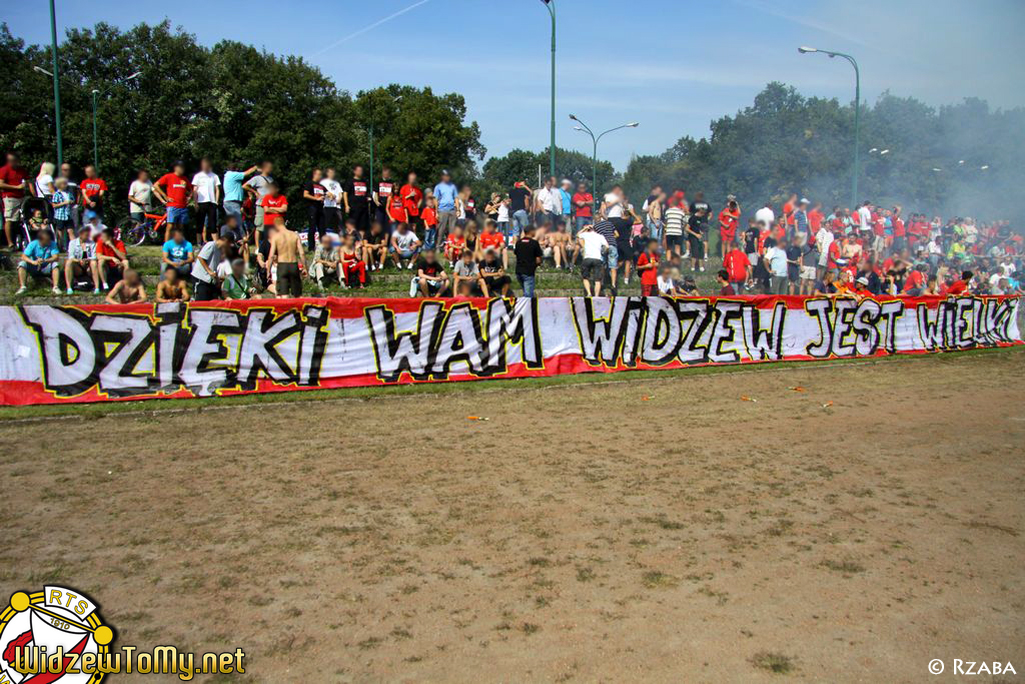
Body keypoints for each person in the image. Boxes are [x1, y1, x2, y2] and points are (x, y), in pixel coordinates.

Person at [153, 161, 192, 243]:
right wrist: (165, 196)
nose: (182, 169)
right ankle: (166, 245)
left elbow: (192, 189)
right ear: (176, 168)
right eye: (181, 167)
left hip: (183, 206)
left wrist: (189, 197)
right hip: (172, 206)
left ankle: (178, 243)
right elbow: (156, 185)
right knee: (170, 226)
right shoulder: (168, 176)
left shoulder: (184, 179)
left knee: (180, 227)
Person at [268, 216, 305, 298]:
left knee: (284, 295)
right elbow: (301, 253)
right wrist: (305, 267)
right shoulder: (295, 235)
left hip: (282, 265)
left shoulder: (276, 237)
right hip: (293, 264)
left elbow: (271, 256)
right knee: (298, 294)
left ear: (275, 225)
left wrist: (268, 271)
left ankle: (287, 310)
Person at [16, 230, 61, 295]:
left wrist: (45, 260)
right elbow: (23, 256)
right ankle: (23, 287)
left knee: (55, 265)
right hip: (33, 266)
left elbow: (56, 257)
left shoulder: (52, 244)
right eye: (47, 240)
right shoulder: (33, 244)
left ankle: (56, 287)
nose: (49, 241)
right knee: (22, 264)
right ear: (41, 240)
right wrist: (33, 262)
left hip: (46, 266)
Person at [0, 152, 29, 247]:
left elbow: (27, 182)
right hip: (10, 197)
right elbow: (1, 184)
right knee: (9, 219)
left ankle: (24, 239)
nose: (11, 163)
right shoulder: (4, 170)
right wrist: (16, 187)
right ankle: (10, 243)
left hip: (22, 197)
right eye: (10, 161)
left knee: (23, 219)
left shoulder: (22, 171)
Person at [191, 232, 229, 301]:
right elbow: (200, 257)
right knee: (201, 303)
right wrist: (209, 271)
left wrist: (217, 279)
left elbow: (214, 265)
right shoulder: (211, 245)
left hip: (210, 281)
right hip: (201, 278)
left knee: (213, 302)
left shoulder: (220, 251)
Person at [222, 162, 259, 229]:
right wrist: (255, 167)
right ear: (235, 169)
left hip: (228, 201)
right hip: (233, 201)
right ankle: (242, 237)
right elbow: (247, 173)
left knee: (232, 222)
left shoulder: (227, 175)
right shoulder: (233, 175)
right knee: (238, 221)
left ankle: (233, 236)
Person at [192, 158, 221, 243]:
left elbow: (217, 189)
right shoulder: (198, 176)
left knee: (213, 224)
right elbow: (195, 190)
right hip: (201, 202)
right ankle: (198, 244)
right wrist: (195, 203)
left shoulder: (214, 176)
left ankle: (216, 243)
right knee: (199, 224)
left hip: (212, 202)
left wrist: (216, 201)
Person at [243, 161, 275, 238]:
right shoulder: (257, 178)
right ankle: (257, 248)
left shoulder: (271, 179)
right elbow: (245, 186)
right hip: (261, 204)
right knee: (259, 226)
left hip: (271, 205)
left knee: (271, 225)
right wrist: (255, 193)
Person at [64, 225, 99, 294]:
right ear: (80, 235)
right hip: (78, 267)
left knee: (94, 263)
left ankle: (97, 287)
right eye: (86, 235)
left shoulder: (92, 243)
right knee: (68, 262)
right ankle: (69, 287)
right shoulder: (72, 243)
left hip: (89, 266)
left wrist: (87, 261)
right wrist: (79, 261)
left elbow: (94, 256)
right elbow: (71, 256)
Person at [578, 224, 608, 297]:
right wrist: (603, 252)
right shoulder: (600, 236)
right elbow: (607, 246)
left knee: (585, 277)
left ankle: (589, 293)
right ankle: (596, 295)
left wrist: (584, 228)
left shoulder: (585, 234)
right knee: (598, 279)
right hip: (597, 258)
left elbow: (578, 234)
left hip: (587, 258)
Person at [514, 225, 544, 298]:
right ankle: (526, 309)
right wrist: (538, 265)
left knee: (526, 292)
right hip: (528, 272)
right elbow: (538, 259)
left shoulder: (518, 242)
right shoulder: (534, 243)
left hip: (518, 271)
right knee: (528, 296)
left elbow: (516, 253)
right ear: (532, 232)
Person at [433, 170, 459, 248]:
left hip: (452, 209)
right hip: (442, 210)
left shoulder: (453, 186)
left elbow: (456, 198)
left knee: (452, 229)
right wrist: (436, 211)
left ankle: (451, 246)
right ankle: (438, 246)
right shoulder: (438, 186)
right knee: (441, 229)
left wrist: (458, 210)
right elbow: (435, 199)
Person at [301, 167, 326, 250]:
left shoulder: (321, 186)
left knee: (322, 228)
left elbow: (326, 193)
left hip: (321, 208)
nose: (321, 176)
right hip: (313, 208)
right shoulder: (310, 183)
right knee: (312, 227)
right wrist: (316, 198)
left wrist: (330, 195)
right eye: (319, 174)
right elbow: (305, 194)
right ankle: (311, 247)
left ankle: (324, 247)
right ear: (315, 174)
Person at [343, 165, 371, 235]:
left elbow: (368, 193)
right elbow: (345, 193)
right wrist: (346, 205)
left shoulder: (365, 182)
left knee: (362, 226)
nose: (360, 172)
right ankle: (351, 241)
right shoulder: (350, 181)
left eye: (361, 171)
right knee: (352, 226)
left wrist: (368, 197)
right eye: (358, 170)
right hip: (354, 208)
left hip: (364, 207)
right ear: (354, 171)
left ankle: (361, 242)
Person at [689, 191, 711, 266]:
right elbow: (711, 213)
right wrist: (707, 219)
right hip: (704, 222)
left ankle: (692, 253)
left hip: (695, 222)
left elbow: (691, 213)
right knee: (705, 239)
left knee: (693, 239)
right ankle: (705, 255)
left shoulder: (694, 203)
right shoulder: (706, 204)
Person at [373, 167, 397, 231]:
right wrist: (376, 201)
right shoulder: (378, 182)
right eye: (384, 173)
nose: (385, 175)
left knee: (388, 225)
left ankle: (387, 240)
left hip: (389, 207)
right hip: (380, 207)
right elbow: (375, 193)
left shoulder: (392, 183)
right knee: (379, 224)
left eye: (387, 173)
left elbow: (395, 194)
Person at [321, 167, 343, 234]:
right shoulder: (323, 182)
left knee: (339, 224)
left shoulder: (336, 183)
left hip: (336, 206)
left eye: (333, 172)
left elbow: (340, 193)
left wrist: (339, 199)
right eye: (330, 172)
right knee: (325, 223)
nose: (332, 174)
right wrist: (330, 196)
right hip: (327, 205)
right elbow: (322, 192)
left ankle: (340, 238)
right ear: (327, 173)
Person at [686, 206, 706, 272]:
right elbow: (686, 228)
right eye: (702, 214)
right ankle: (692, 268)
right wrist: (696, 234)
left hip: (699, 236)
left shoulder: (700, 218)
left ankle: (701, 267)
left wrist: (700, 232)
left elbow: (697, 227)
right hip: (692, 237)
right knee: (695, 251)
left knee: (701, 251)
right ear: (700, 213)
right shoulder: (692, 218)